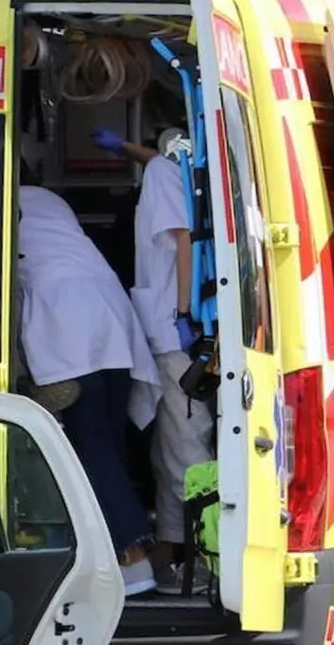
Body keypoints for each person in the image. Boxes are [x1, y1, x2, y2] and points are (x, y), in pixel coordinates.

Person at [16, 174, 162, 596]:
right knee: (110, 443)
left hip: (63, 320)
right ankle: (122, 555)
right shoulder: (49, 199)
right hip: (109, 312)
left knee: (89, 447)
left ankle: (132, 557)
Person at [91, 127, 214, 594]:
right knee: (173, 446)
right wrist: (125, 148)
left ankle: (195, 559)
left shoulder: (164, 172)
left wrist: (184, 312)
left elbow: (183, 238)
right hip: (174, 326)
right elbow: (162, 162)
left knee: (183, 446)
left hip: (172, 328)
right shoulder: (184, 165)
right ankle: (176, 547)